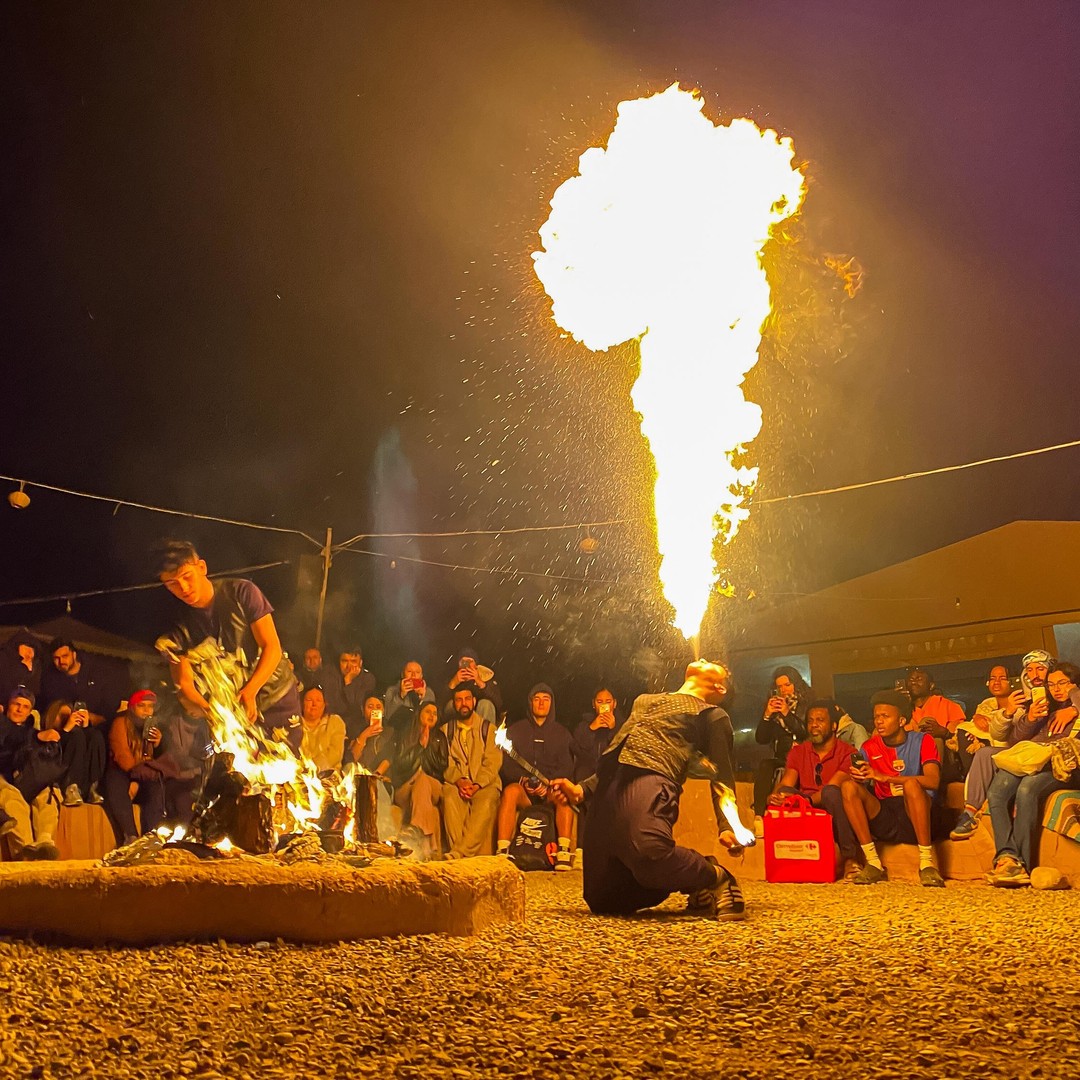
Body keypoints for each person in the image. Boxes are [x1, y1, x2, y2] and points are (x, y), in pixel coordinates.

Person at [549, 660, 746, 921]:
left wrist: (728, 825)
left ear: (720, 687)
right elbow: (622, 751)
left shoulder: (711, 715)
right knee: (603, 899)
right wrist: (581, 790)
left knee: (649, 851)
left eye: (713, 664)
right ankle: (691, 875)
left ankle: (715, 877)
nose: (704, 659)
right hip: (609, 786)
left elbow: (722, 773)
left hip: (652, 778)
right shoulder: (645, 700)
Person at [154, 540, 301, 747]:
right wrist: (215, 713)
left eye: (187, 577)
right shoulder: (177, 628)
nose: (183, 588)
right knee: (242, 764)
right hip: (231, 709)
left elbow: (271, 646)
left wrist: (251, 690)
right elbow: (184, 686)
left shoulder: (242, 592)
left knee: (287, 761)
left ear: (202, 567)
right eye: (172, 584)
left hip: (276, 696)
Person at [984, 661, 1080, 887]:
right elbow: (1015, 740)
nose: (1057, 689)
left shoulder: (1076, 703)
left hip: (1063, 763)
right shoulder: (1045, 707)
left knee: (1027, 788)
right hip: (1032, 759)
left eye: (1063, 683)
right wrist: (1031, 719)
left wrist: (1074, 706)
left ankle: (1022, 864)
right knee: (998, 790)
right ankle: (1007, 858)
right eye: (1051, 684)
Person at [839, 690, 945, 887]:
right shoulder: (869, 747)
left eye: (885, 717)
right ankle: (873, 863)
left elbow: (933, 781)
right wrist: (859, 777)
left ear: (902, 720)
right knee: (848, 787)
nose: (879, 722)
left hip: (918, 813)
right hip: (886, 814)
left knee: (911, 785)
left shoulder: (923, 741)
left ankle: (927, 864)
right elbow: (861, 784)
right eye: (876, 717)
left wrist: (886, 777)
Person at [769, 699, 859, 879]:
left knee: (831, 793)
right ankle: (787, 860)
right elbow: (787, 782)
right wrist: (775, 796)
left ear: (833, 726)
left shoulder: (848, 753)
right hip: (806, 807)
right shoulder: (798, 752)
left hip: (834, 806)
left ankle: (851, 858)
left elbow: (834, 786)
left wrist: (807, 800)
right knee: (785, 792)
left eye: (820, 720)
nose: (814, 725)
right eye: (810, 721)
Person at [496, 683, 576, 870]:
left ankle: (563, 851)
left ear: (551, 704)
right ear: (530, 702)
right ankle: (502, 851)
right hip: (525, 793)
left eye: (546, 699)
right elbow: (506, 765)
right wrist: (523, 780)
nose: (541, 703)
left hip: (550, 791)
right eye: (537, 699)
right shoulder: (515, 731)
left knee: (564, 795)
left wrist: (548, 785)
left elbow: (567, 767)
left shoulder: (562, 734)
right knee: (510, 792)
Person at [949, 664, 1012, 840]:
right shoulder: (986, 705)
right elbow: (976, 726)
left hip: (1012, 747)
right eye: (992, 678)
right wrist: (977, 719)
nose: (996, 682)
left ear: (1012, 681)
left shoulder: (1019, 702)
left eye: (1002, 678)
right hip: (990, 750)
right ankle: (971, 795)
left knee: (983, 751)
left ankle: (970, 811)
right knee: (965, 730)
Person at [442, 683, 503, 859]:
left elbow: (492, 762)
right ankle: (458, 854)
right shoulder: (446, 731)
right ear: (454, 704)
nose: (464, 703)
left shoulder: (489, 729)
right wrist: (459, 780)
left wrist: (477, 784)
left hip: (484, 784)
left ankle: (460, 853)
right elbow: (445, 763)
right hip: (458, 784)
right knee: (449, 796)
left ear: (474, 701)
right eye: (459, 700)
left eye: (467, 699)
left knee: (487, 800)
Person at [0, 687, 61, 859]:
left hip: (24, 779)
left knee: (48, 793)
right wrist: (36, 738)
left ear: (30, 712)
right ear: (8, 706)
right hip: (5, 777)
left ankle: (44, 841)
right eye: (16, 704)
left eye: (25, 707)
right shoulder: (4, 725)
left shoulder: (32, 732)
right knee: (13, 800)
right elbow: (10, 737)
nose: (19, 709)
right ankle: (25, 851)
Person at [103, 689, 168, 844]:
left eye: (150, 706)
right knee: (116, 784)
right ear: (132, 707)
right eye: (142, 706)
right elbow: (122, 755)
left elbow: (153, 760)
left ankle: (150, 836)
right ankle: (130, 835)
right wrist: (136, 778)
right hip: (123, 771)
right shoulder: (121, 723)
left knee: (156, 788)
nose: (146, 710)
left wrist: (158, 744)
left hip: (141, 774)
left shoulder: (151, 727)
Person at [388, 700, 449, 859]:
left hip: (433, 786)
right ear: (419, 714)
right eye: (428, 711)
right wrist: (419, 746)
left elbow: (442, 765)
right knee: (429, 807)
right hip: (406, 787)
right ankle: (428, 849)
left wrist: (427, 747)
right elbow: (399, 765)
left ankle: (416, 831)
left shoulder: (439, 737)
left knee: (422, 780)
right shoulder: (406, 734)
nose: (432, 716)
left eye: (435, 713)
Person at [754, 666, 811, 813]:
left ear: (796, 684)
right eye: (779, 687)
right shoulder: (775, 708)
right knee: (765, 765)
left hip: (804, 757)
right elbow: (761, 739)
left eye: (787, 685)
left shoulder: (807, 705)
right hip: (782, 756)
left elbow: (804, 732)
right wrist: (767, 715)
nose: (784, 690)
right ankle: (759, 813)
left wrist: (786, 713)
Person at [43, 700, 107, 807]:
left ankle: (93, 787)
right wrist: (66, 730)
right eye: (63, 716)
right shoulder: (44, 734)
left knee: (95, 735)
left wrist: (86, 728)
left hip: (82, 781)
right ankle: (70, 789)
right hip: (60, 778)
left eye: (70, 716)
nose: (67, 719)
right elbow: (49, 751)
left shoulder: (79, 736)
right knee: (76, 735)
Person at [40, 639, 117, 725]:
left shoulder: (96, 672)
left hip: (99, 726)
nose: (61, 661)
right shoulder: (50, 680)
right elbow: (50, 709)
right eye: (56, 658)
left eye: (65, 656)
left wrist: (97, 718)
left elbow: (110, 701)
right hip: (68, 727)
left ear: (74, 655)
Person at [572, 688, 623, 781]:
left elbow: (623, 752)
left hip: (611, 778)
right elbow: (576, 750)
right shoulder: (584, 724)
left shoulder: (623, 726)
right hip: (586, 779)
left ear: (614, 703)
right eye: (599, 702)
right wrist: (591, 729)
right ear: (593, 704)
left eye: (608, 702)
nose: (604, 705)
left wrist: (613, 730)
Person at [325, 648, 376, 740]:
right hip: (333, 725)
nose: (348, 666)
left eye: (353, 661)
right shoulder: (331, 676)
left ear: (360, 663)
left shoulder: (368, 679)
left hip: (356, 728)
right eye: (344, 661)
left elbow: (357, 707)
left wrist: (348, 682)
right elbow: (331, 704)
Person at [446, 648, 504, 726]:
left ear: (476, 665)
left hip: (480, 719)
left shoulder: (486, 676)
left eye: (469, 662)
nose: (466, 665)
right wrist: (452, 684)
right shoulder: (452, 678)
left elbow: (498, 703)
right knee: (450, 705)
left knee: (485, 704)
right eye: (463, 662)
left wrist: (480, 683)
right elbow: (440, 704)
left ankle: (486, 732)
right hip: (460, 718)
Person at [298, 686, 346, 773]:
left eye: (318, 700)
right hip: (298, 774)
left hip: (328, 776)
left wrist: (311, 768)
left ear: (324, 704)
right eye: (309, 700)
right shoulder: (294, 723)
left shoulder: (334, 722)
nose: (314, 704)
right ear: (302, 703)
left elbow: (335, 754)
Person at [0, 629, 42, 705]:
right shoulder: (4, 659)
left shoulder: (35, 670)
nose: (29, 652)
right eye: (27, 646)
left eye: (32, 649)